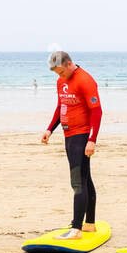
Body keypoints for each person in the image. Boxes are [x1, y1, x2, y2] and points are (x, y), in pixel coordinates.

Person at [41, 50, 102, 239]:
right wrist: (50, 129)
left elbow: (97, 112)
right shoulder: (61, 81)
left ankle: (76, 228)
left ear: (69, 64)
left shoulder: (85, 80)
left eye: (61, 72)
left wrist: (92, 140)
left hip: (82, 136)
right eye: (57, 74)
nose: (60, 76)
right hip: (68, 135)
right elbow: (61, 107)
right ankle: (89, 223)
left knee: (78, 181)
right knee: (85, 178)